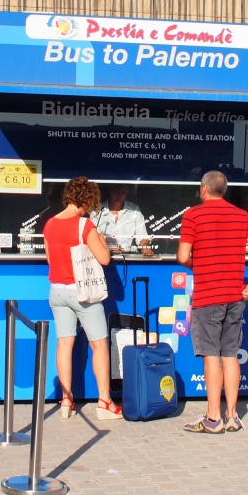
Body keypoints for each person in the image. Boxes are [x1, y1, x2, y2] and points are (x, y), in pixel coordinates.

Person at [177, 170, 248, 434]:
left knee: (211, 356)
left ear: (204, 189)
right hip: (235, 296)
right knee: (230, 355)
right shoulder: (241, 215)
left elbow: (182, 256)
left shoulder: (193, 215)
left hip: (208, 296)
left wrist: (198, 264)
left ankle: (213, 418)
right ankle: (232, 416)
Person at [42, 176, 122, 421]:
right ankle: (105, 403)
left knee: (64, 344)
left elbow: (50, 259)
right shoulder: (84, 225)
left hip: (57, 291)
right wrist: (103, 242)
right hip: (83, 293)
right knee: (99, 345)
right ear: (87, 200)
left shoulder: (49, 224)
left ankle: (66, 400)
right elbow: (104, 259)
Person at [94, 184, 153, 256]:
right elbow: (93, 239)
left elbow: (142, 237)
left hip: (130, 256)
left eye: (123, 192)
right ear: (110, 190)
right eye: (116, 191)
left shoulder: (134, 210)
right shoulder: (97, 211)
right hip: (104, 255)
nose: (120, 195)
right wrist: (109, 248)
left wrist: (146, 247)